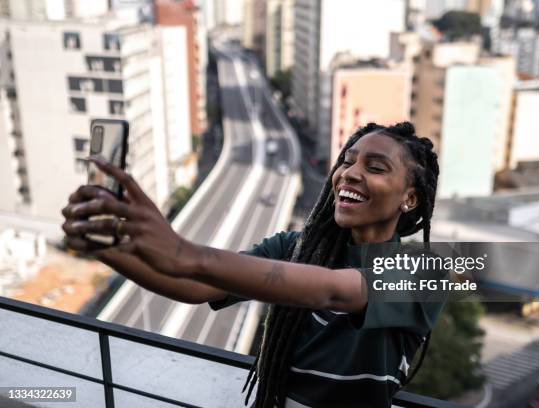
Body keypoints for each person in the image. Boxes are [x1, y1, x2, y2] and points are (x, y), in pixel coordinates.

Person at [61, 121, 445, 408]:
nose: (350, 173)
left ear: (409, 198)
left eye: (375, 168)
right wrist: (108, 247)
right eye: (347, 161)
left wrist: (184, 251)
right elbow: (197, 287)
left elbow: (332, 288)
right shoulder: (293, 247)